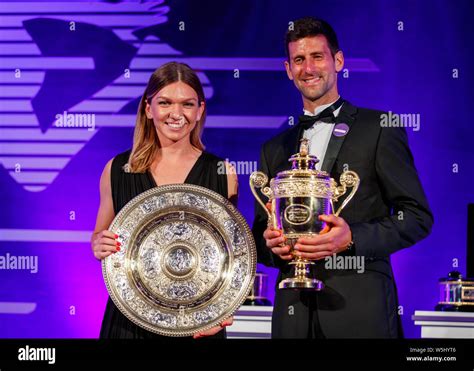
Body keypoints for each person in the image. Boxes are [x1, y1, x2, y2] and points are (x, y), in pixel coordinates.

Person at [252, 17, 433, 338]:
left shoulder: (379, 127)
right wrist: (270, 246)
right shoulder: (273, 148)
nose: (308, 68)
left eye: (317, 57)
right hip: (292, 316)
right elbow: (262, 233)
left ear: (338, 61)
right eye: (299, 59)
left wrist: (351, 238)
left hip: (360, 313)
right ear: (288, 69)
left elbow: (416, 217)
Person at [91, 62, 237, 339]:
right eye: (165, 102)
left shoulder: (223, 173)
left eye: (187, 104)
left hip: (198, 326)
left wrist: (220, 314)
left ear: (200, 110)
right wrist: (99, 243)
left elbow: (232, 256)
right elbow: (100, 236)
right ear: (148, 109)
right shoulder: (117, 169)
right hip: (129, 323)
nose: (176, 113)